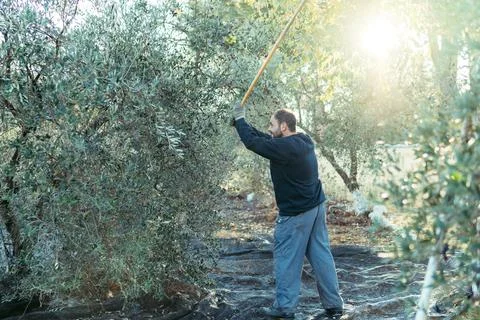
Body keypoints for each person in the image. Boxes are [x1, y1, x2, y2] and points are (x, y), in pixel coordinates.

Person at [232, 104, 344, 319]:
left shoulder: (284, 148)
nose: (269, 128)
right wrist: (241, 124)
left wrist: (240, 119)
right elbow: (265, 139)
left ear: (283, 126)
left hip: (296, 215)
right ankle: (334, 305)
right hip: (316, 208)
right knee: (321, 256)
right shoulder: (303, 141)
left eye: (272, 125)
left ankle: (284, 308)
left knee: (286, 259)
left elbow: (255, 143)